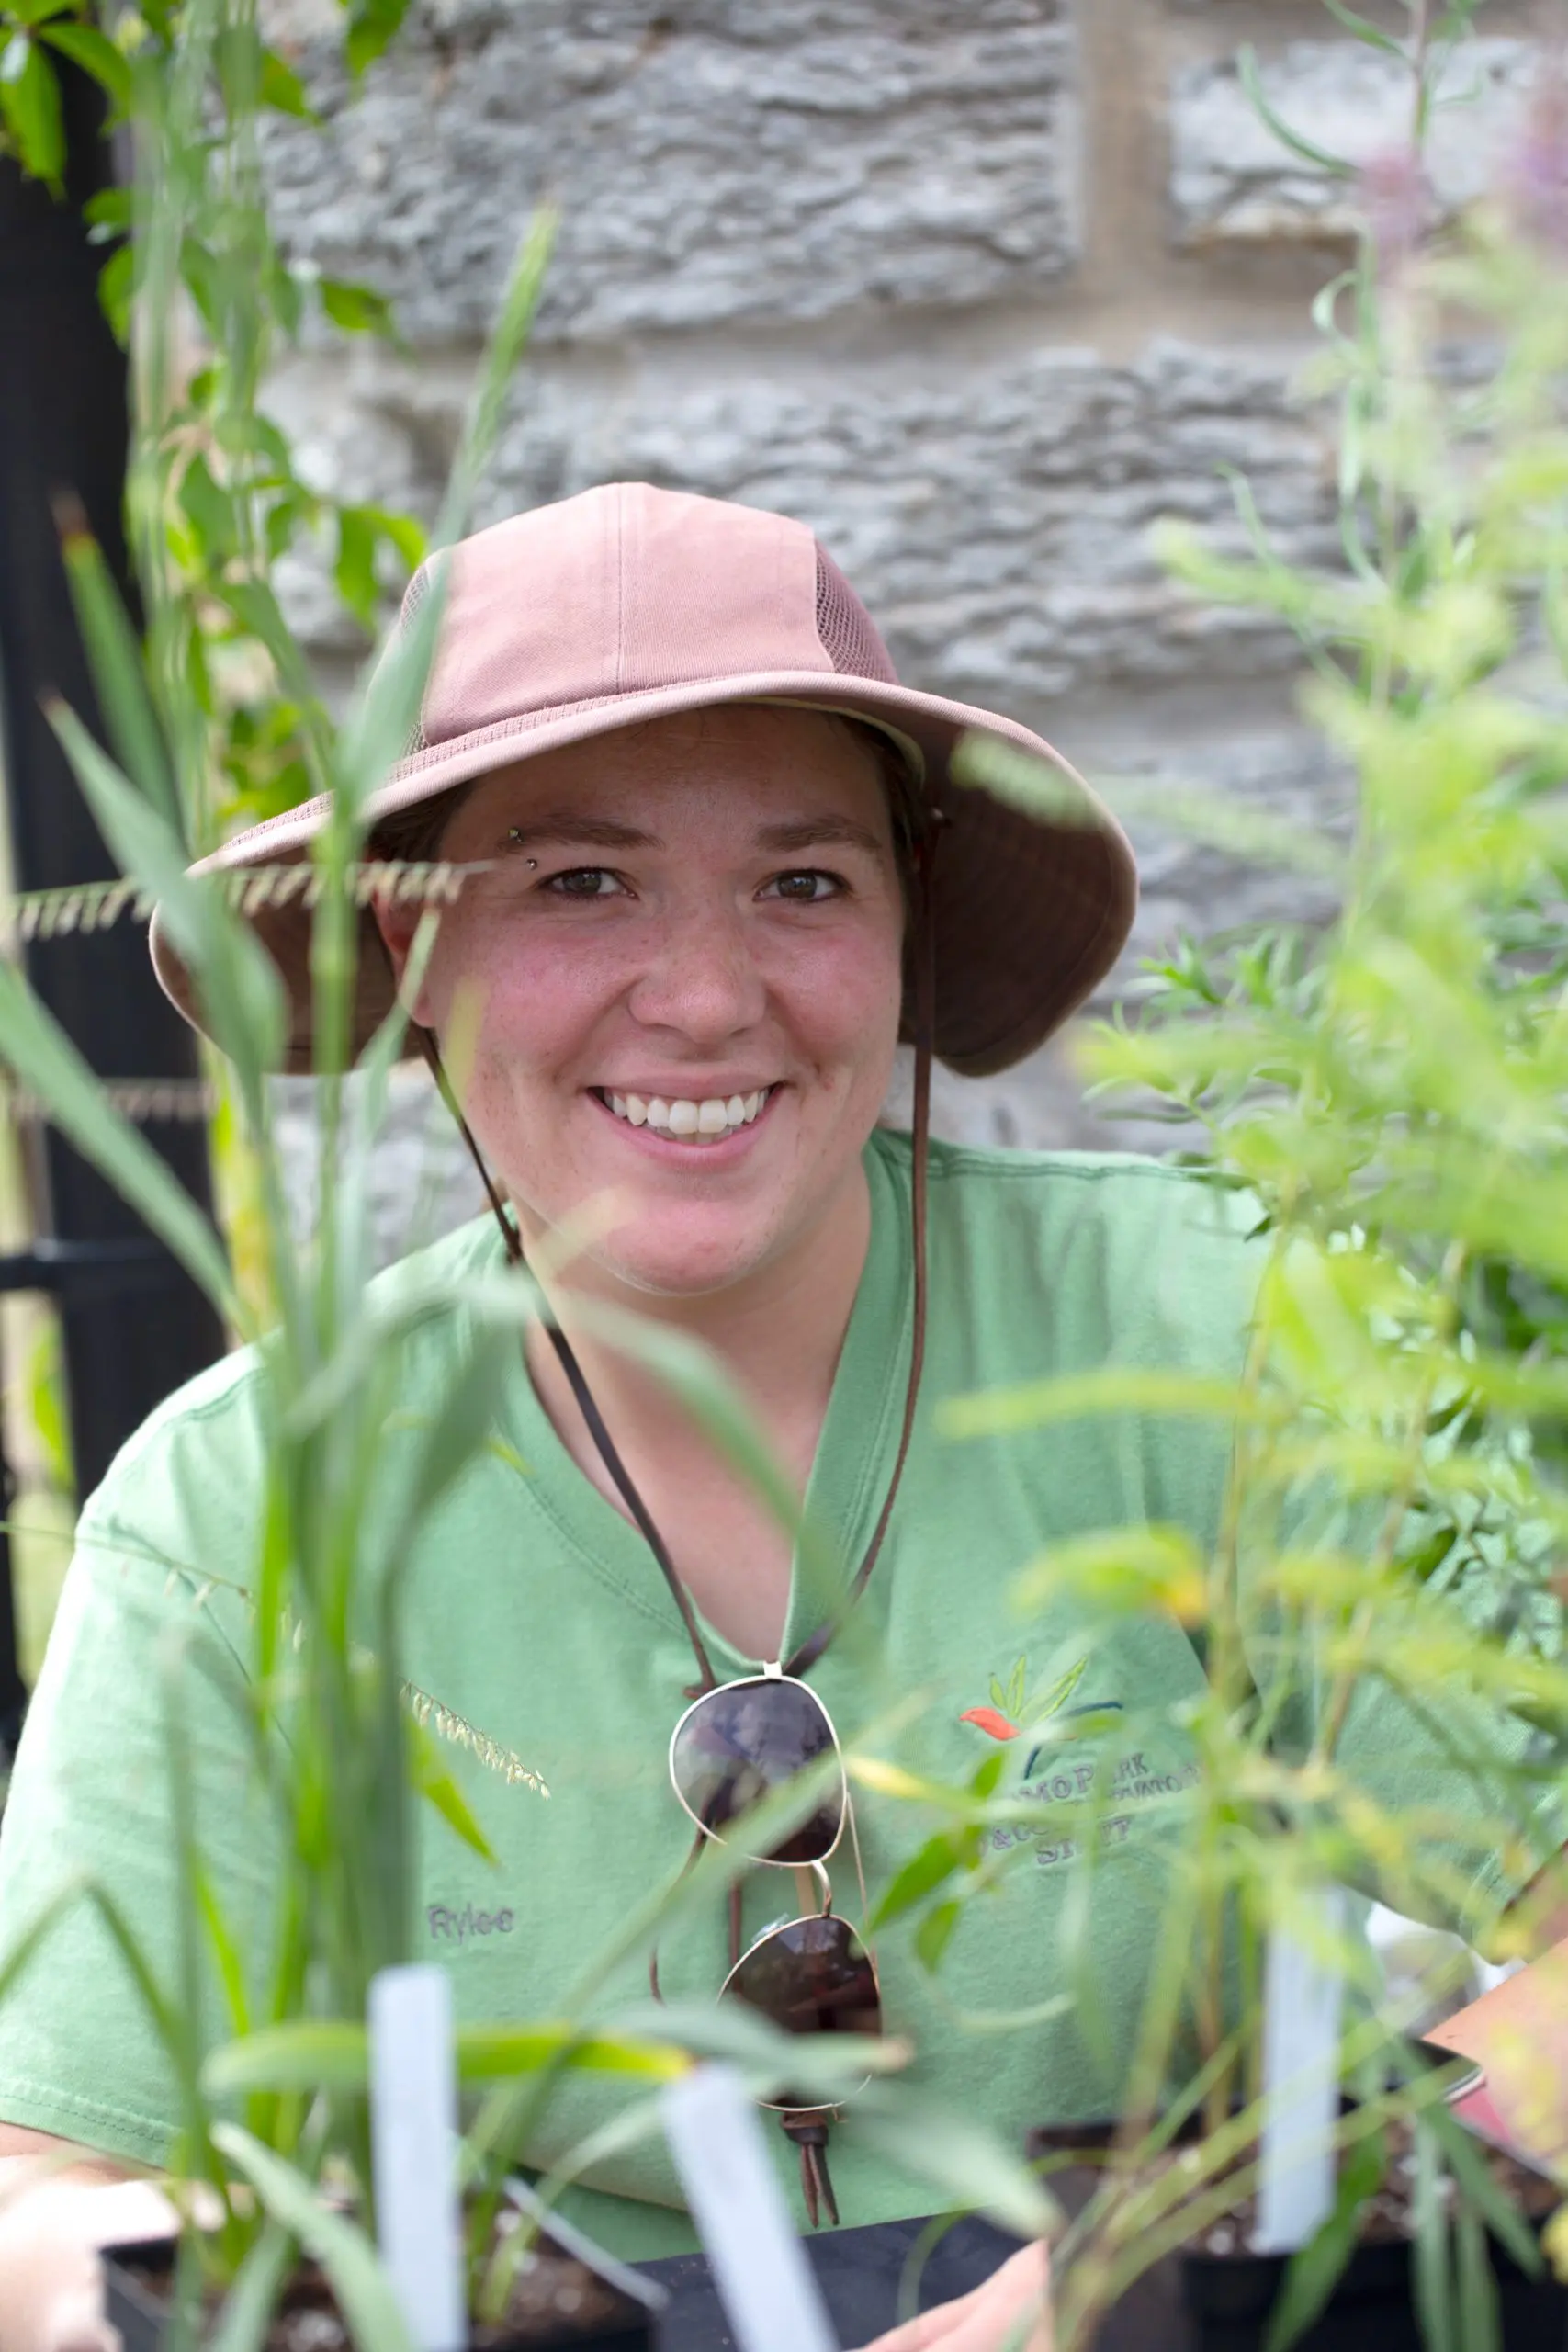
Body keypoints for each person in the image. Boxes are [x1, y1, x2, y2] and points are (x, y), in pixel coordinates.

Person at [0, 484, 1556, 2352]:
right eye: (578, 882)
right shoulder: (249, 1496)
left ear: (906, 924)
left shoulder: (1217, 1329)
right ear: (409, 949)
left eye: (802, 882)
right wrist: (325, 2281)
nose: (705, 997)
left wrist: (1143, 2262)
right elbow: (46, 2188)